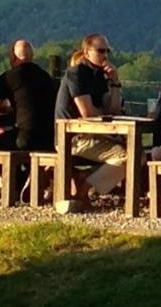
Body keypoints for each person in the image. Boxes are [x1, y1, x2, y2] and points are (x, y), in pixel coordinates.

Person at [54, 33, 128, 205]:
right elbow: (87, 113)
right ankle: (85, 186)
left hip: (93, 134)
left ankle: (85, 179)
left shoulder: (99, 76)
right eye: (101, 51)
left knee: (138, 154)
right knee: (127, 157)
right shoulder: (76, 73)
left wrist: (115, 83)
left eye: (107, 51)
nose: (105, 56)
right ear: (87, 52)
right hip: (72, 139)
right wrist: (103, 115)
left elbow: (113, 110)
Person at [4, 40, 59, 153]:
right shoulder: (45, 76)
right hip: (49, 138)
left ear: (12, 57)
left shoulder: (10, 76)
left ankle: (10, 170)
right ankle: (23, 170)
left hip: (26, 138)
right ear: (32, 56)